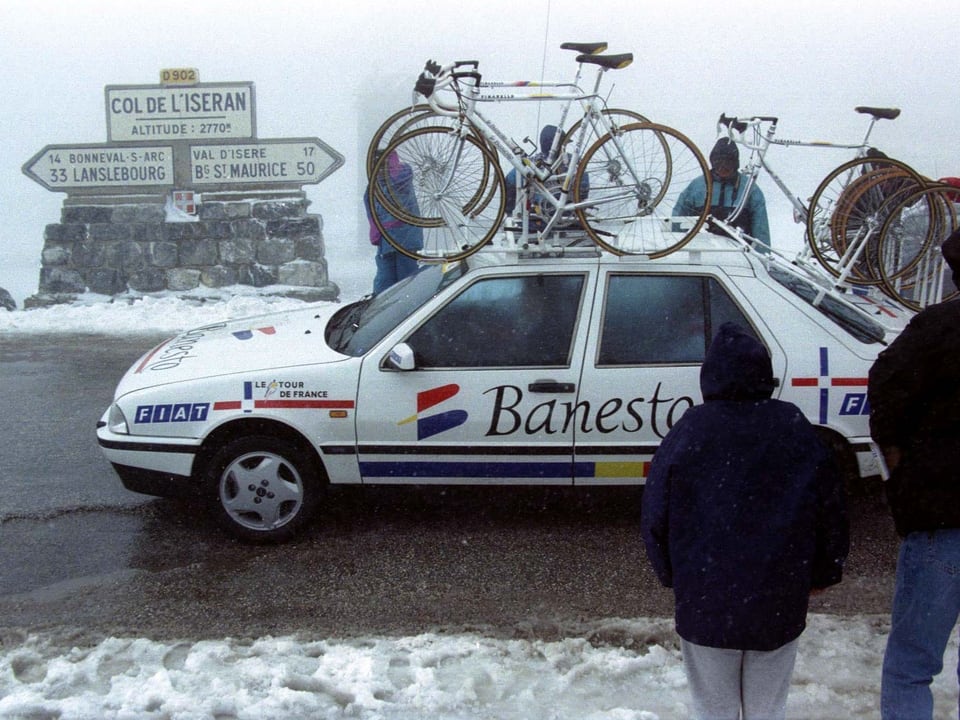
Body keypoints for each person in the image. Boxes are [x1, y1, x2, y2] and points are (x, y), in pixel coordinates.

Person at [641, 322, 849, 720]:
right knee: (768, 708)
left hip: (705, 601)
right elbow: (831, 510)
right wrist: (824, 572)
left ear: (709, 377)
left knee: (712, 709)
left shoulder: (689, 430)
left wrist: (673, 574)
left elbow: (655, 514)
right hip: (779, 600)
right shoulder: (794, 427)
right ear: (764, 376)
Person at [868, 229, 960, 719]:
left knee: (910, 667)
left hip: (940, 524)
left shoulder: (935, 328)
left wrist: (898, 457)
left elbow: (885, 389)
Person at [674, 137, 771, 249]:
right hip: (699, 252)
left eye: (728, 162)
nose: (723, 167)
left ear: (736, 164)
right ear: (712, 162)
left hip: (738, 256)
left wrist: (763, 260)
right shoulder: (696, 187)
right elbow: (677, 222)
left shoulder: (750, 189)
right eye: (718, 162)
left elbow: (761, 232)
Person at [504, 124, 588, 229]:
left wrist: (509, 212)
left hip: (543, 219)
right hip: (572, 217)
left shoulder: (532, 163)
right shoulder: (573, 161)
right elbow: (584, 190)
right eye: (564, 143)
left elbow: (509, 183)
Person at [364, 150, 423, 294]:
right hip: (387, 239)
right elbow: (370, 210)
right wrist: (376, 234)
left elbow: (399, 178)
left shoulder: (401, 176)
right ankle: (383, 309)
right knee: (385, 281)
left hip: (404, 237)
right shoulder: (374, 186)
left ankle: (406, 309)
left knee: (405, 282)